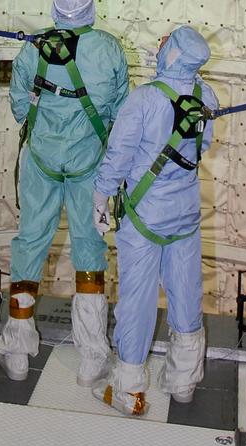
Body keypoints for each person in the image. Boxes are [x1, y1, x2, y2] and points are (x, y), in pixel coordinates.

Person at [0, 0, 128, 387]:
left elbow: (20, 106)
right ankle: (92, 353)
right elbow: (120, 111)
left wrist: (47, 129)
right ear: (91, 10)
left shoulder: (31, 50)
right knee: (89, 245)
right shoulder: (108, 49)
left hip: (41, 161)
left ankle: (18, 346)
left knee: (31, 240)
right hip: (90, 164)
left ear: (55, 10)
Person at [92, 25, 218, 416]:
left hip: (144, 217)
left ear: (175, 55)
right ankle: (183, 380)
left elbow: (119, 156)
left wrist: (101, 196)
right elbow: (204, 146)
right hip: (185, 216)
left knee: (138, 299)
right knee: (185, 292)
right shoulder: (206, 96)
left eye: (166, 42)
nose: (159, 45)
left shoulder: (144, 100)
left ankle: (129, 389)